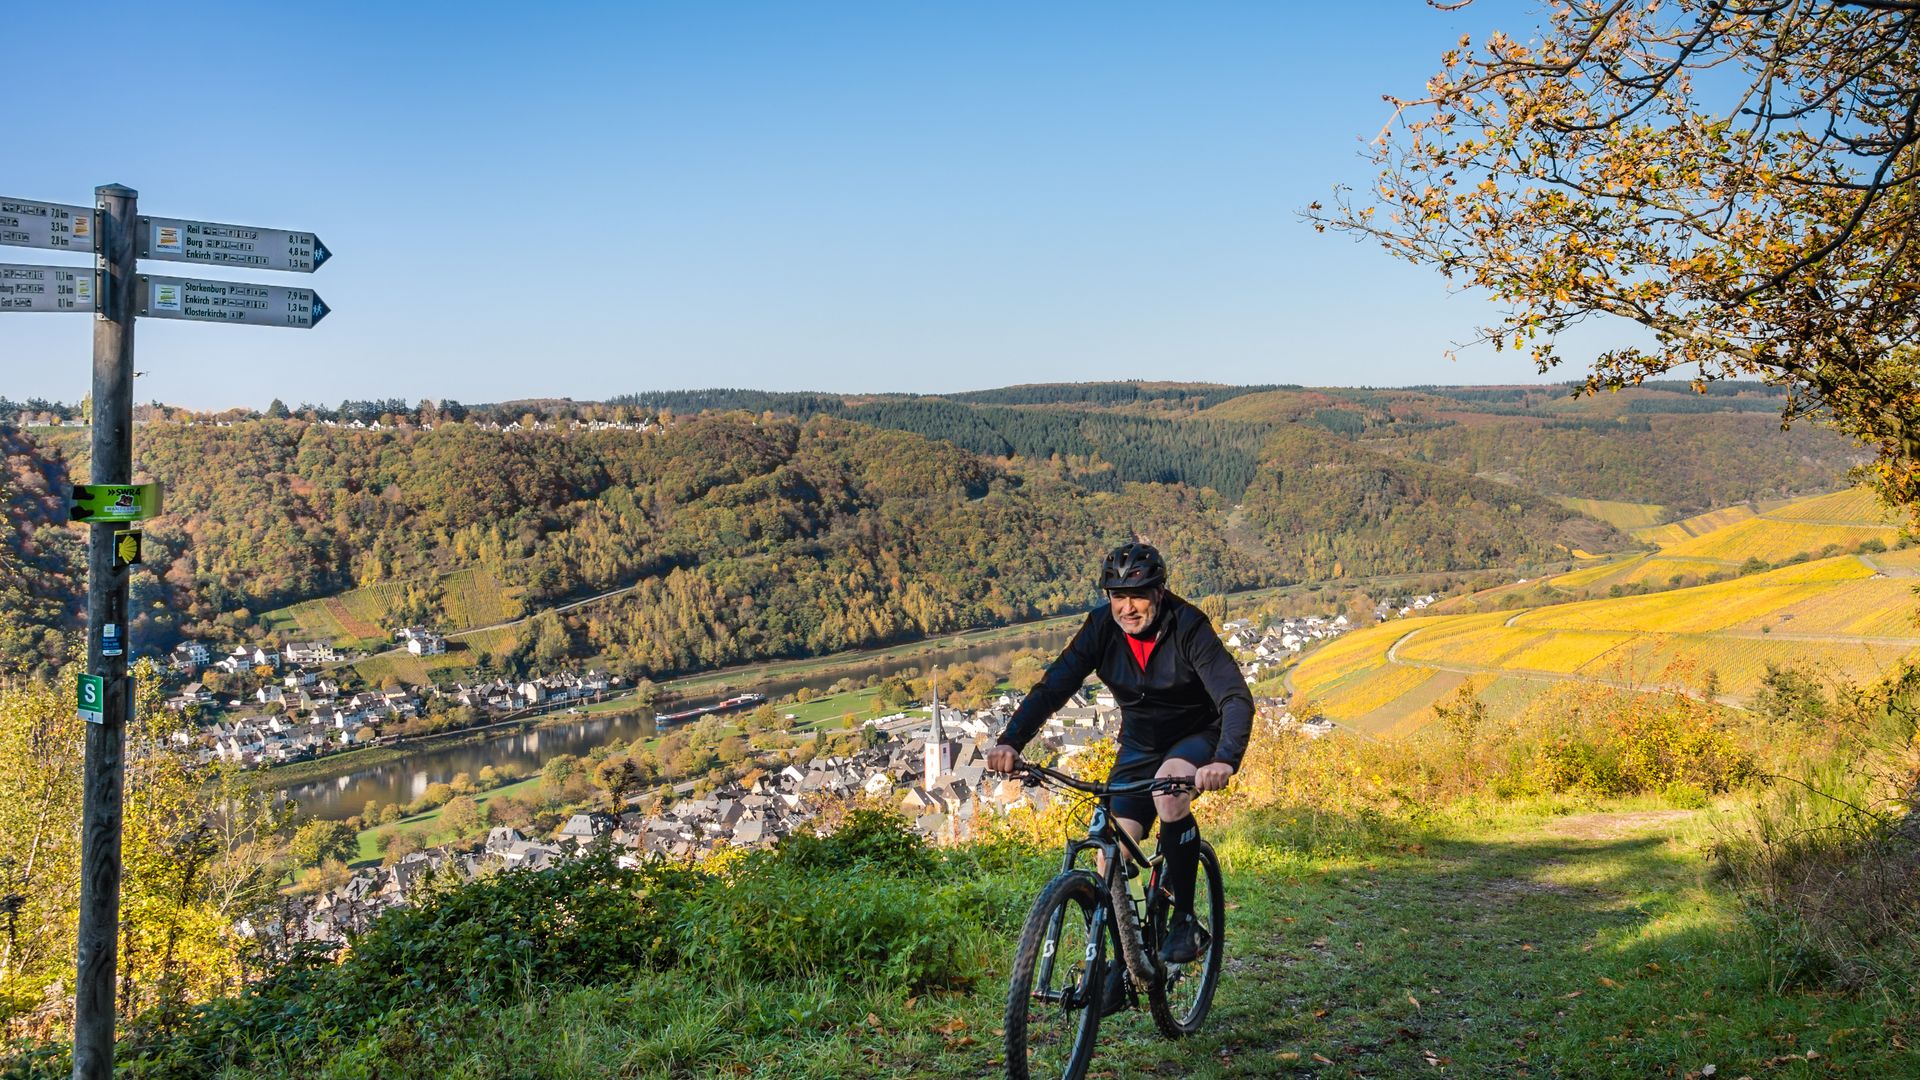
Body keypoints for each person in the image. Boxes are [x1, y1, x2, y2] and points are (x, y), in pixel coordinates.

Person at [987, 541, 1253, 1001]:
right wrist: (1011, 740)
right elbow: (1054, 687)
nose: (1126, 608)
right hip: (1139, 744)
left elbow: (1234, 698)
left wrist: (1223, 759)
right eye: (1116, 596)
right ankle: (1122, 960)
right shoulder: (1101, 629)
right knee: (1109, 854)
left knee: (1170, 790)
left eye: (1137, 596)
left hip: (1196, 735)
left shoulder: (1188, 626)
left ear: (1159, 591)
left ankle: (1185, 919)